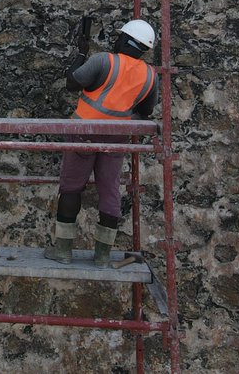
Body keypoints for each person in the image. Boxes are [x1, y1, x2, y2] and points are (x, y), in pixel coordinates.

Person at [45, 18, 158, 266]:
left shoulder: (103, 60)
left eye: (119, 36)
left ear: (125, 40)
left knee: (72, 188)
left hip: (83, 131)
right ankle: (102, 256)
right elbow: (146, 112)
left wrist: (82, 53)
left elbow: (72, 82)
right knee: (110, 191)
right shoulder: (150, 76)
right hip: (116, 137)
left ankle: (63, 250)